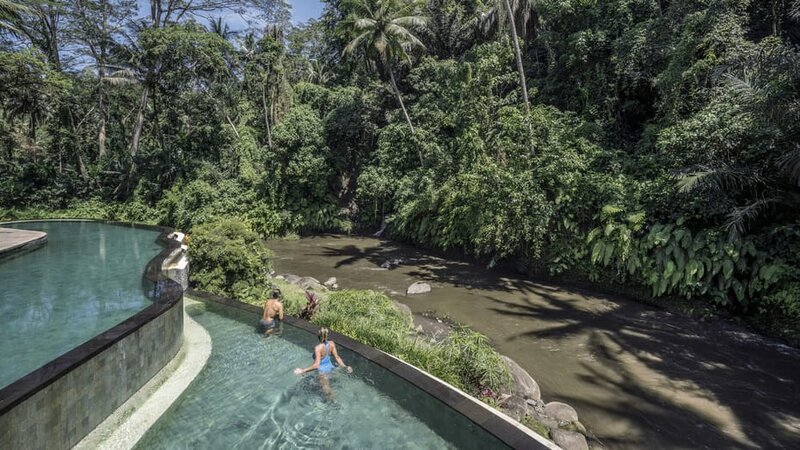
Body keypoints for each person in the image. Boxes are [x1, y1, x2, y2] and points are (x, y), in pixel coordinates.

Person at [294, 328, 353, 396]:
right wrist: (345, 367)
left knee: (327, 391)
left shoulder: (318, 348)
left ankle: (335, 404)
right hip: (331, 368)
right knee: (326, 387)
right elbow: (337, 357)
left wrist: (303, 370)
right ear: (327, 335)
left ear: (318, 336)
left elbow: (316, 365)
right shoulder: (332, 343)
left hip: (322, 371)